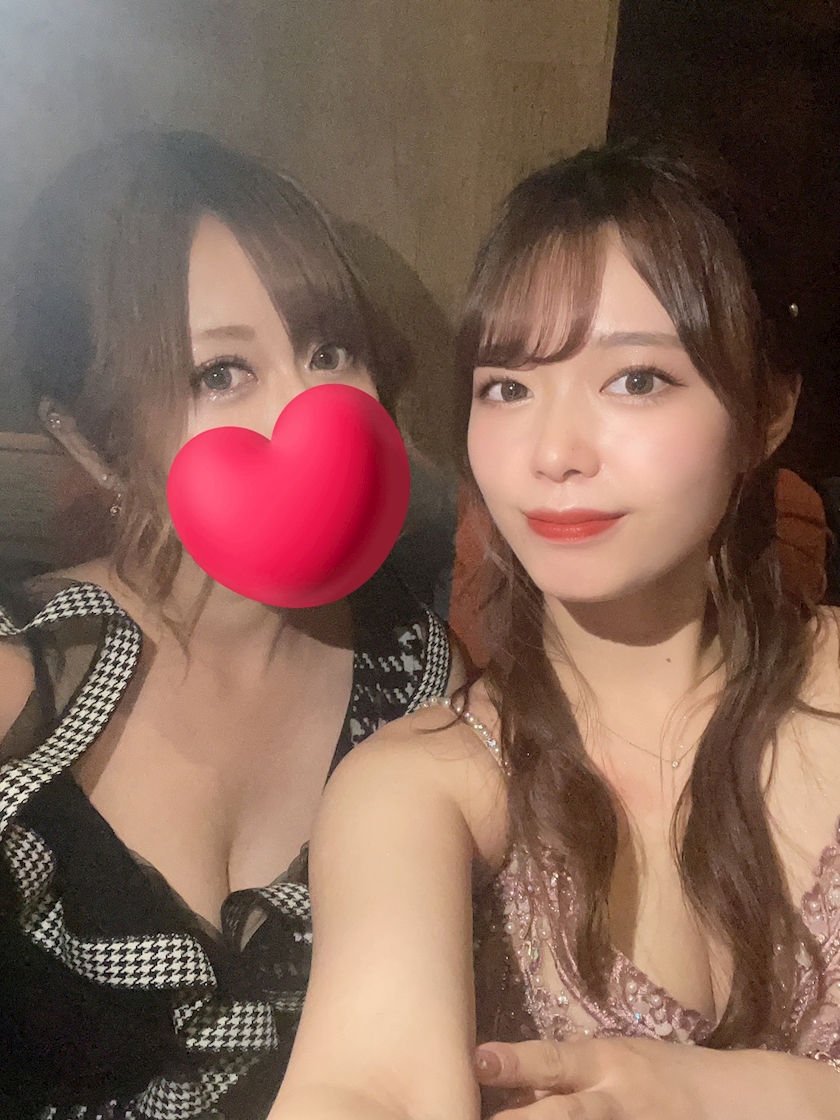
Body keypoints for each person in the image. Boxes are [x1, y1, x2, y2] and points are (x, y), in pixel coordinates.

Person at [269, 146, 840, 1120]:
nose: (554, 452)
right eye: (508, 387)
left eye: (637, 380)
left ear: (768, 411)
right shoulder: (423, 782)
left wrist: (733, 1097)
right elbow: (366, 1083)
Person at [0, 130, 458, 1120]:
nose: (312, 408)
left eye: (330, 351)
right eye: (220, 373)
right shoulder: (14, 687)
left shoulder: (426, 678)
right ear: (90, 440)